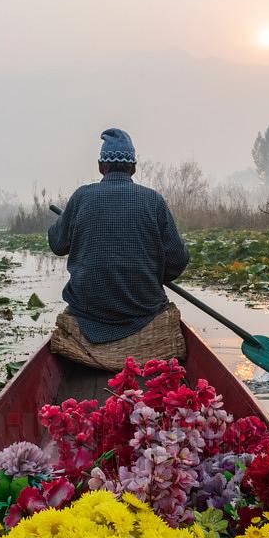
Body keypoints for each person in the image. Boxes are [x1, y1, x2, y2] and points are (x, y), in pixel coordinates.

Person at [47, 127, 189, 370]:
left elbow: (58, 245)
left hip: (88, 315)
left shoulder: (82, 197)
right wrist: (153, 279)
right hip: (144, 312)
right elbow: (178, 258)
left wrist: (63, 225)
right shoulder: (153, 200)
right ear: (133, 168)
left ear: (101, 166)